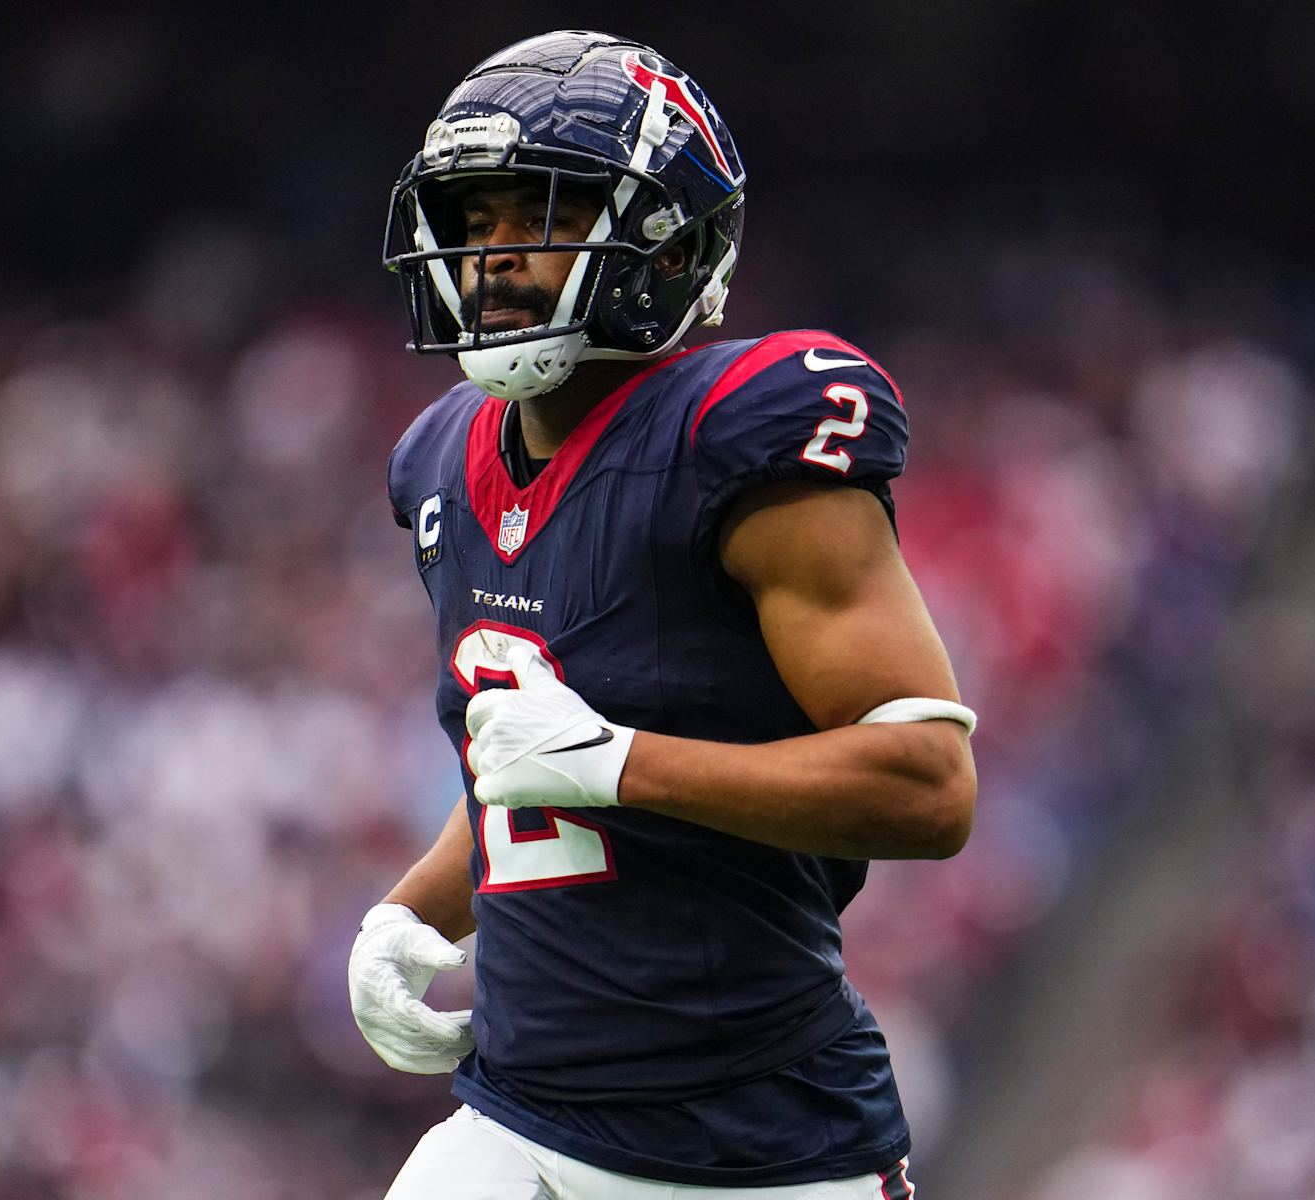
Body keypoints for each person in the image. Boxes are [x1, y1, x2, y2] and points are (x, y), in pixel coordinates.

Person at [349, 30, 977, 1200]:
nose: (494, 257)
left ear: (664, 239)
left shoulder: (739, 437)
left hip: (757, 1143)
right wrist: (408, 914)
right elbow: (526, 769)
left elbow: (928, 786)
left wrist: (623, 764)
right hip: (519, 1114)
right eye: (473, 221)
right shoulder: (442, 461)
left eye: (536, 215)